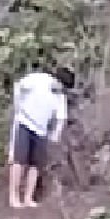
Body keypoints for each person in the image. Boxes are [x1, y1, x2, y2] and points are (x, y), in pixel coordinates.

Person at [7, 66, 74, 209]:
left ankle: (28, 198)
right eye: (61, 86)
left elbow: (61, 118)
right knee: (19, 160)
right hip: (25, 122)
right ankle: (14, 197)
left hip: (41, 130)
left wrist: (56, 133)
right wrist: (18, 106)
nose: (61, 90)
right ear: (56, 80)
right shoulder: (39, 79)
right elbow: (19, 85)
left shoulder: (60, 96)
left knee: (36, 165)